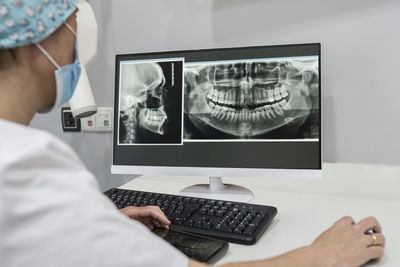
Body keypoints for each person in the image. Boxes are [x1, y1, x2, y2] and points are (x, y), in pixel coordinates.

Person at [0, 1, 385, 267]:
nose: (77, 46)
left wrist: (97, 227)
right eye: (73, 27)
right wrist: (324, 254)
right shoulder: (24, 165)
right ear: (38, 38)